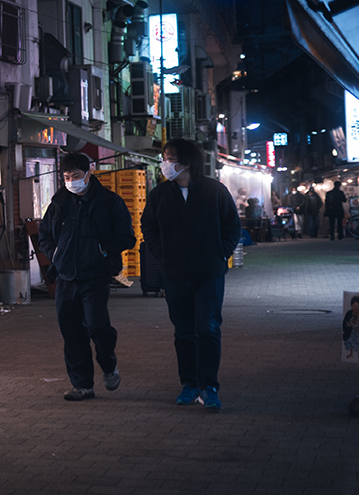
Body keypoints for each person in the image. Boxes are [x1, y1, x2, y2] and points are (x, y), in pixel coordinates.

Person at [140, 138, 240, 411]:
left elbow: (233, 226)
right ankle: (189, 384)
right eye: (164, 157)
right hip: (174, 274)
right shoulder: (159, 194)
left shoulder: (214, 191)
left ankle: (209, 387)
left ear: (186, 163)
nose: (165, 163)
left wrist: (221, 253)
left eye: (169, 158)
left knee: (207, 328)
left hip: (209, 273)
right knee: (183, 331)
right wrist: (162, 254)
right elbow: (148, 226)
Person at [38, 151, 137, 402]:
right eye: (67, 177)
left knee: (96, 326)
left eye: (76, 176)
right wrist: (55, 253)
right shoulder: (59, 203)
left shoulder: (109, 202)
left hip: (96, 276)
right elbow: (44, 236)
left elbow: (127, 236)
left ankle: (108, 363)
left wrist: (103, 250)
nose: (71, 181)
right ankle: (82, 385)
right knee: (71, 332)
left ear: (89, 172)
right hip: (66, 277)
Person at [344, 296, 359, 361]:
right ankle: (351, 353)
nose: (356, 308)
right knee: (351, 341)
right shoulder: (349, 313)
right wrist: (349, 324)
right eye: (354, 306)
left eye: (358, 306)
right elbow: (345, 322)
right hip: (351, 331)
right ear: (351, 306)